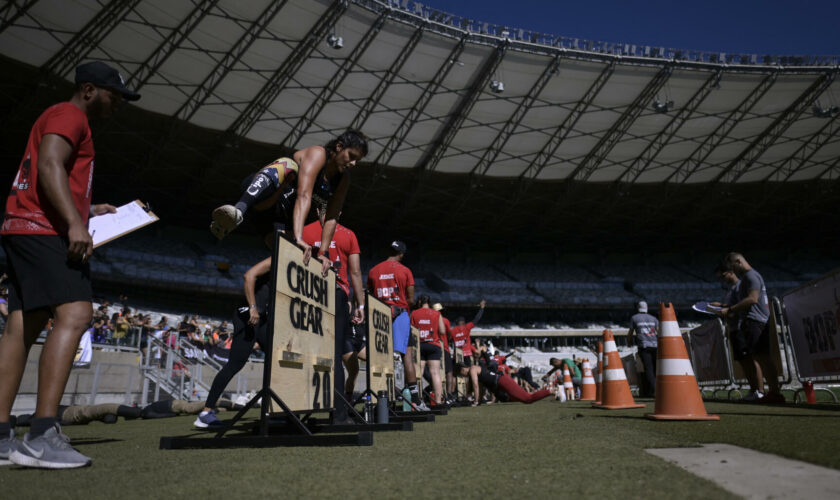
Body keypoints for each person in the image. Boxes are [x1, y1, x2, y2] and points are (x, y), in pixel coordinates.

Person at [0, 61, 139, 469]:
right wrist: (77, 222)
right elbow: (48, 165)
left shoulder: (60, 115)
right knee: (77, 313)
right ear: (90, 90)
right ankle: (43, 434)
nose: (119, 104)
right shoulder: (71, 115)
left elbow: (47, 171)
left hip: (22, 226)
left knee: (21, 327)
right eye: (116, 96)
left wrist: (87, 208)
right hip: (45, 232)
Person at [210, 130, 368, 275]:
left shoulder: (343, 179)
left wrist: (323, 253)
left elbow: (332, 217)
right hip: (264, 195)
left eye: (357, 160)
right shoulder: (318, 154)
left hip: (278, 217)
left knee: (290, 258)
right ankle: (238, 210)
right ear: (339, 147)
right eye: (352, 156)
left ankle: (259, 301)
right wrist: (300, 238)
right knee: (287, 164)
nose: (353, 163)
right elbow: (304, 196)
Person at [301, 207, 364, 423]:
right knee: (335, 354)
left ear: (317, 209)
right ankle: (338, 413)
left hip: (308, 294)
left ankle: (299, 409)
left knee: (308, 352)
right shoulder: (348, 234)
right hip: (336, 294)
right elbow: (355, 272)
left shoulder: (304, 230)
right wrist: (360, 305)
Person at [195, 257, 272, 428]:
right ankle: (205, 413)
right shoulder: (275, 259)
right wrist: (252, 307)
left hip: (263, 319)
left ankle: (271, 410)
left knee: (276, 360)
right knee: (235, 364)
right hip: (249, 315)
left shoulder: (288, 265)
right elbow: (249, 275)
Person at [367, 241, 426, 410]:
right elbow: (411, 299)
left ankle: (380, 396)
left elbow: (369, 293)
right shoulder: (405, 271)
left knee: (380, 354)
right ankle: (415, 399)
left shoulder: (373, 270)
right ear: (401, 254)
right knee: (407, 355)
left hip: (379, 314)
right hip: (400, 313)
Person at [722, 252, 783, 403]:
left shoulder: (750, 276)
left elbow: (752, 299)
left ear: (738, 262)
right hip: (754, 320)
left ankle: (774, 392)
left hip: (755, 321)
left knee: (762, 357)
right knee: (760, 357)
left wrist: (730, 310)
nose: (733, 271)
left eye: (732, 267)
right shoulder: (749, 277)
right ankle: (772, 392)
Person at [711, 262, 761, 400]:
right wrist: (721, 306)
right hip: (734, 327)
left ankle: (759, 390)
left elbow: (741, 306)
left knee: (750, 360)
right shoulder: (731, 289)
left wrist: (727, 309)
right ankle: (753, 389)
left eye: (723, 276)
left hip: (740, 326)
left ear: (731, 272)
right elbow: (733, 306)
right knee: (744, 362)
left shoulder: (740, 286)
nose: (722, 279)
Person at [454, 363, 552, 404]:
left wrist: (475, 402)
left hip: (502, 381)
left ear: (462, 369)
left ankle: (551, 391)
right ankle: (550, 391)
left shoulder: (472, 369)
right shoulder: (475, 370)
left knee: (527, 399)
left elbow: (475, 385)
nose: (463, 376)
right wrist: (478, 401)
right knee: (519, 399)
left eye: (461, 374)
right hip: (500, 384)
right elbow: (479, 387)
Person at [410, 295, 446, 406]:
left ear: (420, 301)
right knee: (435, 373)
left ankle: (417, 401)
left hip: (420, 345)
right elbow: (442, 331)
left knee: (418, 373)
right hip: (433, 345)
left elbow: (411, 329)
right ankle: (438, 401)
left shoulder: (414, 313)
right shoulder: (437, 313)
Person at [450, 300, 486, 405]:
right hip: (466, 355)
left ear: (456, 323)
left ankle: (453, 395)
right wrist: (482, 308)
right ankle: (469, 396)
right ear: (463, 322)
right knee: (470, 376)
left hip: (457, 356)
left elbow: (448, 339)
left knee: (454, 376)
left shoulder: (453, 331)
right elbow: (476, 319)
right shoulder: (466, 327)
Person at [627, 301, 659, 397]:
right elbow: (659, 332)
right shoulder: (653, 319)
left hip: (644, 346)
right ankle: (655, 390)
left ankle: (655, 390)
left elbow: (631, 332)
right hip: (655, 345)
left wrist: (629, 342)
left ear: (638, 308)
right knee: (655, 369)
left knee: (648, 369)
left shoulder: (634, 318)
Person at [432, 302, 455, 401]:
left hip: (434, 346)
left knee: (435, 372)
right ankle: (449, 394)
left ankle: (435, 393)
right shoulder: (445, 321)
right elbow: (449, 334)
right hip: (444, 347)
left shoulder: (431, 319)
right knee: (449, 372)